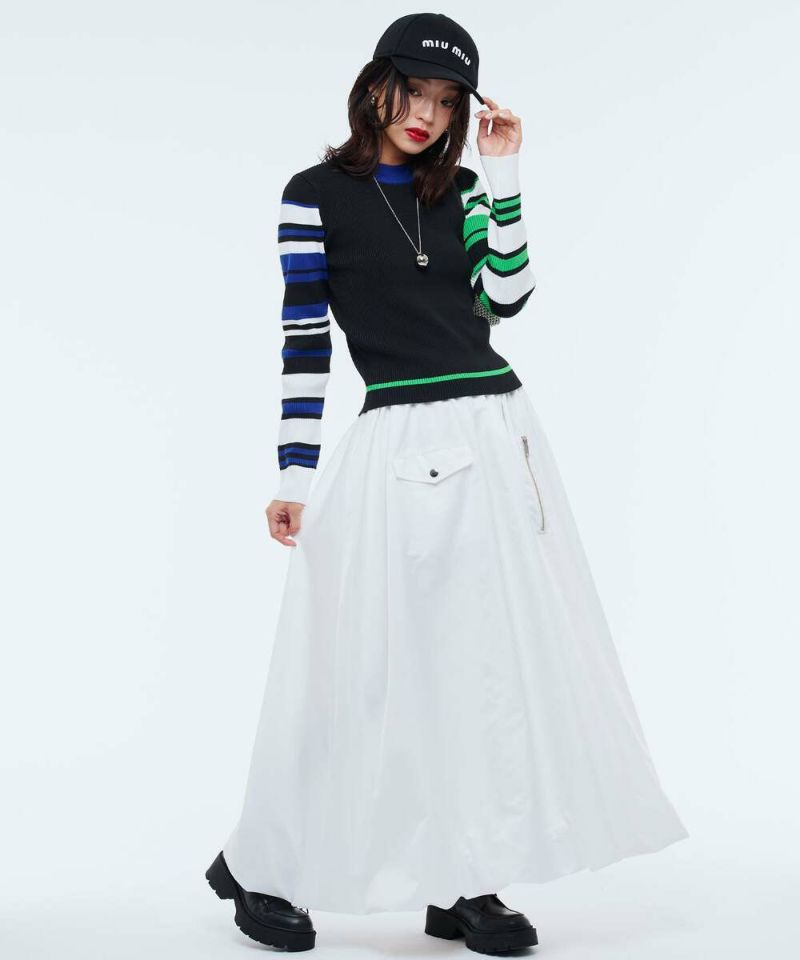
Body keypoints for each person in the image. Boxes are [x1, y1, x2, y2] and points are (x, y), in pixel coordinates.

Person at [205, 12, 689, 955]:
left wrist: (504, 175)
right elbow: (304, 341)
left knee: (484, 671)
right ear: (373, 86)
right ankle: (258, 861)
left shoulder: (462, 189)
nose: (425, 113)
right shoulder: (313, 197)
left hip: (497, 434)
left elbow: (507, 297)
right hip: (397, 442)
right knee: (355, 672)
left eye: (444, 100)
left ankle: (464, 879)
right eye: (411, 90)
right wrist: (294, 473)